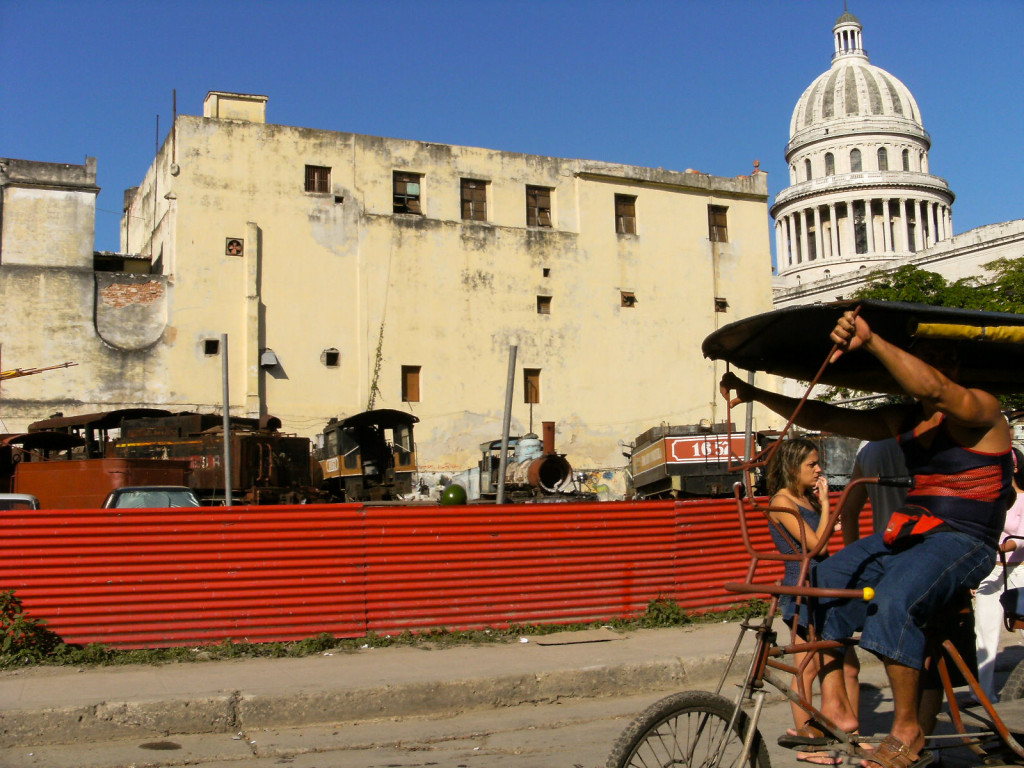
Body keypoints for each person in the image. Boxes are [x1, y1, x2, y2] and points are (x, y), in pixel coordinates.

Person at [721, 308, 1013, 768]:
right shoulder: (906, 422)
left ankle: (907, 728)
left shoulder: (982, 408)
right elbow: (827, 415)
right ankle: (835, 705)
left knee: (894, 598)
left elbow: (933, 388)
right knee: (819, 580)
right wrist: (752, 391)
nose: (939, 365)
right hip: (910, 536)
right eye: (928, 355)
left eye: (948, 358)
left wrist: (870, 339)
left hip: (964, 541)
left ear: (959, 368)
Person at [765, 438, 853, 766]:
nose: (818, 470)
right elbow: (816, 546)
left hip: (821, 584)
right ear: (792, 467)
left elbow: (825, 546)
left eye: (818, 463)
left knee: (827, 659)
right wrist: (829, 505)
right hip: (801, 588)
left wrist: (823, 510)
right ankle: (807, 740)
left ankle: (832, 734)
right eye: (811, 465)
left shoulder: (804, 500)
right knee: (806, 666)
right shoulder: (781, 501)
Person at [974, 446, 1024, 702]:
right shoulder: (989, 500)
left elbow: (1021, 539)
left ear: (1014, 467)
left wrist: (995, 547)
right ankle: (984, 694)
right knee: (984, 630)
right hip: (990, 570)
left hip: (1019, 570)